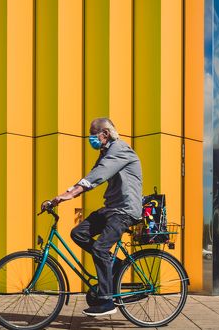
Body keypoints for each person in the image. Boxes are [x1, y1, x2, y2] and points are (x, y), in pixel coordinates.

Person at [41, 117, 143, 317]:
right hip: (111, 209)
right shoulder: (106, 152)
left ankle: (106, 301)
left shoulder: (120, 149)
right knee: (78, 233)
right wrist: (61, 198)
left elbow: (97, 176)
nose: (91, 139)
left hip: (124, 211)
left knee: (99, 248)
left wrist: (68, 194)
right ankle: (114, 264)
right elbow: (92, 175)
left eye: (92, 134)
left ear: (104, 133)